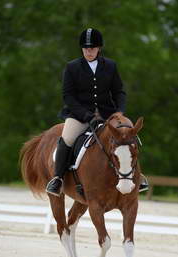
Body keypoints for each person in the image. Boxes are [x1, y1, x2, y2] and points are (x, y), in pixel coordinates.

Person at [46, 28, 148, 196]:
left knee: (129, 135)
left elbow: (119, 92)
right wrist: (86, 116)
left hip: (108, 114)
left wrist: (119, 112)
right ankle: (58, 179)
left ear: (99, 48)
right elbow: (68, 96)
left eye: (92, 48)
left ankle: (138, 176)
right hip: (79, 115)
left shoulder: (110, 65)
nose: (89, 51)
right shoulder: (72, 67)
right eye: (86, 48)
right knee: (68, 139)